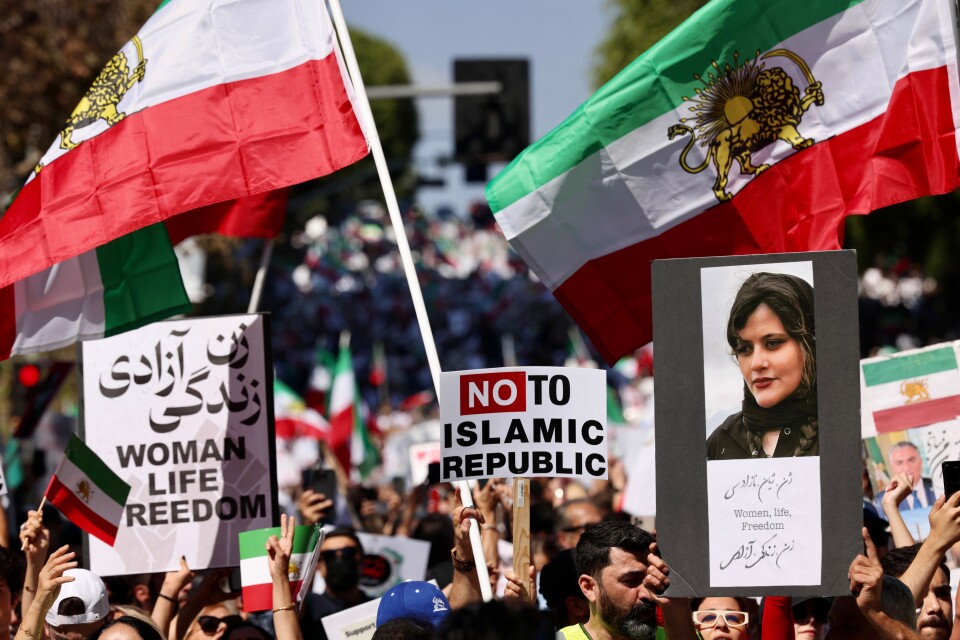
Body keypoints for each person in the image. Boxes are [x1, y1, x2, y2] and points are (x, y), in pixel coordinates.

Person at [706, 272, 818, 460]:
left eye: (773, 343)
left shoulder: (851, 435)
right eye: (745, 348)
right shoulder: (721, 442)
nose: (757, 364)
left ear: (810, 344)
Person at [566, 521, 665, 640]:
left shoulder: (679, 635)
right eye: (631, 581)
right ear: (589, 587)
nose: (648, 594)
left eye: (653, 578)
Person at [299, 528, 370, 640]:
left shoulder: (380, 607)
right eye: (329, 555)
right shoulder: (306, 607)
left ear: (362, 561)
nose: (339, 560)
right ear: (317, 566)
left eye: (348, 553)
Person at [876, 443, 936, 511]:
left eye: (911, 460)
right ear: (891, 467)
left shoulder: (938, 486)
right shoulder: (881, 500)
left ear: (921, 462)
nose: (906, 467)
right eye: (899, 462)